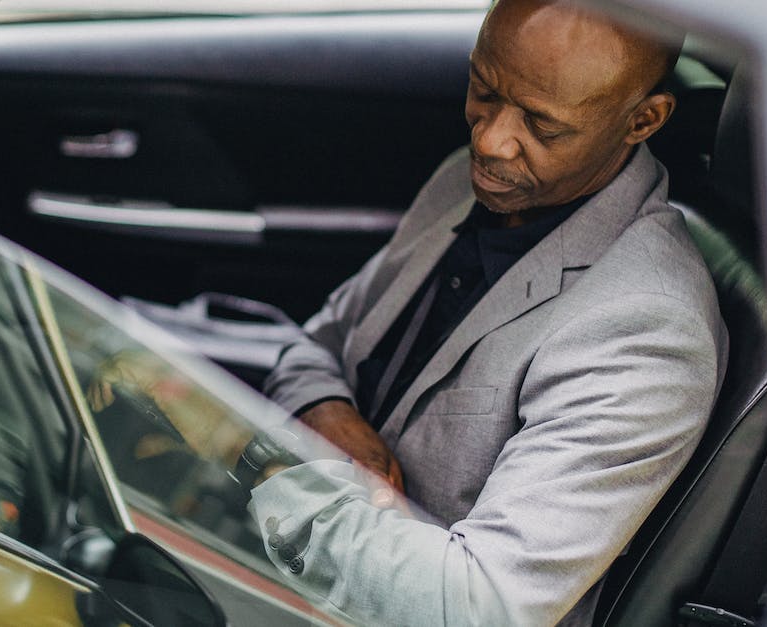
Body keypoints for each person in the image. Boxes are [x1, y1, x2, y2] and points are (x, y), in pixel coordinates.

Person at [247, 0, 730, 624]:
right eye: (483, 89)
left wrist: (273, 474)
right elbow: (321, 341)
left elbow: (478, 607)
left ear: (643, 120)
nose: (489, 140)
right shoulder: (464, 181)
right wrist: (329, 415)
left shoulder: (647, 329)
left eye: (541, 124)